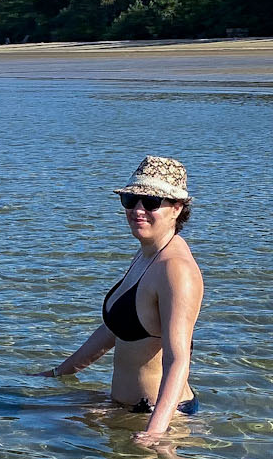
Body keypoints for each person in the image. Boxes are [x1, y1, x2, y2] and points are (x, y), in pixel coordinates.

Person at [41, 155, 203, 437]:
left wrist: (155, 433)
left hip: (159, 417)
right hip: (125, 409)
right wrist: (59, 373)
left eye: (151, 202)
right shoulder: (145, 254)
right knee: (28, 415)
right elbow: (114, 329)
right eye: (130, 200)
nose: (138, 210)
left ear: (177, 208)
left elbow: (177, 360)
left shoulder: (176, 270)